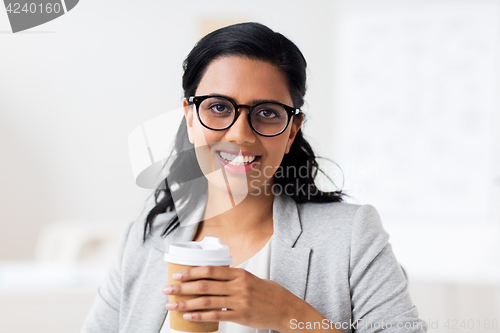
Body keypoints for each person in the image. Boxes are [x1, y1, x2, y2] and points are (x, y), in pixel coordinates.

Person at [80, 22, 428, 333]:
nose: (240, 135)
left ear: (292, 130)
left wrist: (289, 315)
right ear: (189, 117)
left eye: (266, 113)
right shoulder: (147, 240)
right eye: (218, 107)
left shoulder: (352, 238)